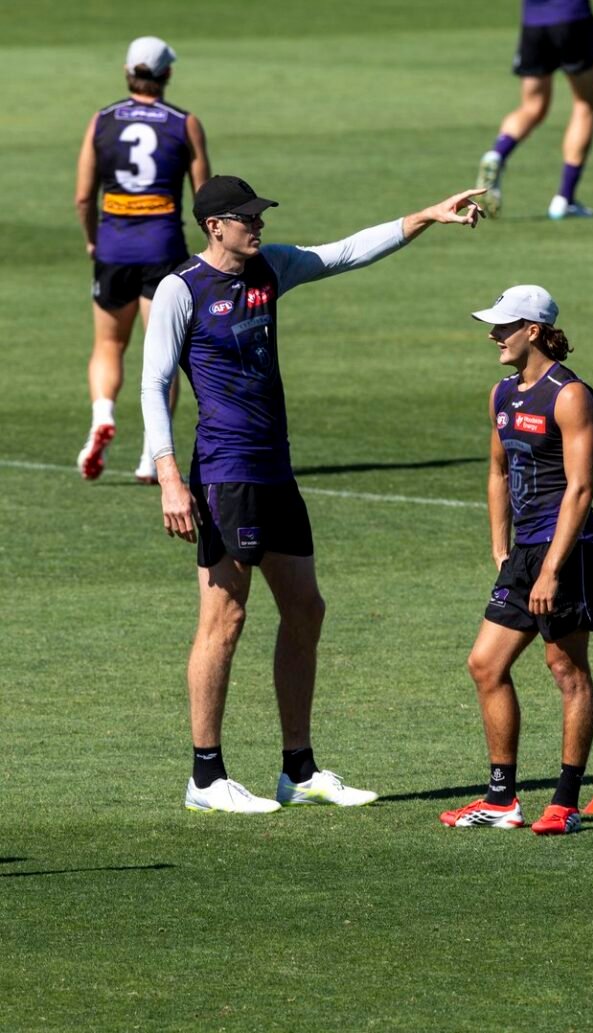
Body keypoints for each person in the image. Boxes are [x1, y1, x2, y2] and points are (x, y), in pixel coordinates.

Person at [141, 174, 485, 814]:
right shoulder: (180, 289)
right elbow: (154, 382)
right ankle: (206, 777)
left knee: (306, 609)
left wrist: (427, 216)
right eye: (247, 218)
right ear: (215, 226)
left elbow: (346, 252)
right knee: (225, 618)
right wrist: (168, 477)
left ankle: (297, 770)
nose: (259, 225)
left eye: (259, 216)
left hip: (276, 468)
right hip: (224, 472)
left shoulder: (270, 267)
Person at [439, 285, 593, 835]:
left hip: (568, 549)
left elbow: (580, 489)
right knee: (486, 665)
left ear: (533, 331)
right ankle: (501, 800)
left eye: (504, 326)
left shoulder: (569, 395)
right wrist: (499, 547)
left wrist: (552, 568)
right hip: (523, 553)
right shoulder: (502, 394)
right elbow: (497, 471)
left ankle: (564, 803)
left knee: (566, 669)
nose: (493, 335)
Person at [75, 36, 211, 483]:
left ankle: (102, 416)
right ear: (167, 74)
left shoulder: (102, 120)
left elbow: (83, 197)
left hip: (113, 248)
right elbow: (205, 198)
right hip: (164, 251)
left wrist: (93, 241)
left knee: (108, 344)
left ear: (127, 72)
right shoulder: (184, 123)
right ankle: (153, 454)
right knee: (162, 354)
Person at [476, 0, 593, 220]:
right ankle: (565, 199)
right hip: (573, 18)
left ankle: (497, 154)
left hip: (533, 23)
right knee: (584, 104)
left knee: (531, 106)